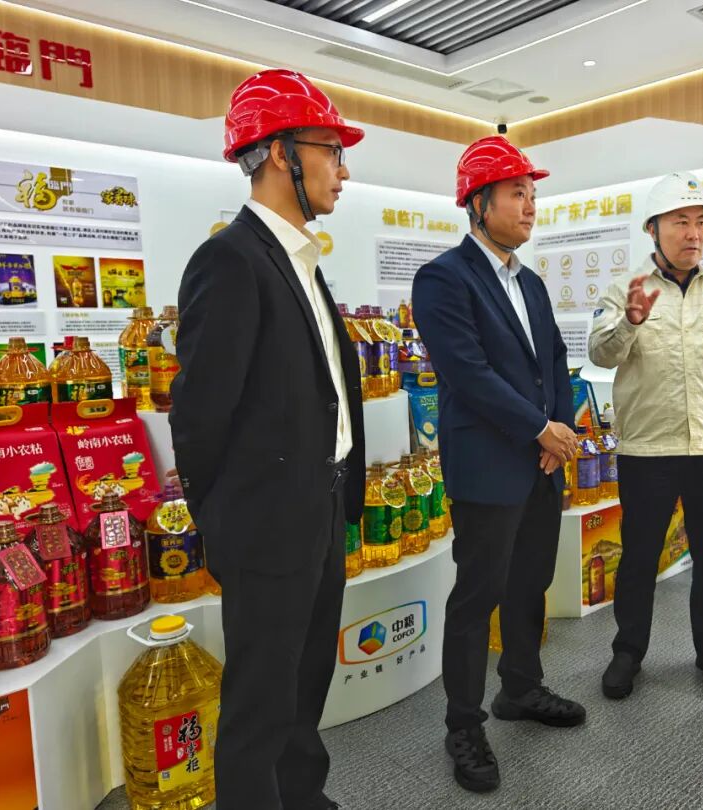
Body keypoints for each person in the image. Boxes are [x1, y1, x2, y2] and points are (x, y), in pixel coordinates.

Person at [169, 69, 366, 810]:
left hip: (322, 507)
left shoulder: (300, 260)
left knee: (307, 682)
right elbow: (199, 415)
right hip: (266, 525)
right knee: (259, 702)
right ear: (282, 153)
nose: (343, 171)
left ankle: (302, 797)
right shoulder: (231, 259)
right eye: (331, 152)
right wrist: (225, 526)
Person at [412, 136, 583, 794]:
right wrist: (539, 428)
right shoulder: (443, 278)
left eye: (533, 194)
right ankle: (463, 724)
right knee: (476, 596)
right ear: (478, 204)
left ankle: (521, 687)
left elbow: (554, 363)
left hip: (540, 463)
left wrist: (556, 432)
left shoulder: (530, 283)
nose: (531, 205)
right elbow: (468, 373)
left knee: (529, 581)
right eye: (517, 193)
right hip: (487, 465)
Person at [589, 172, 703, 701]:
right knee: (639, 556)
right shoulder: (626, 289)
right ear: (653, 229)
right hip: (647, 447)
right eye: (680, 222)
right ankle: (628, 651)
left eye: (700, 223)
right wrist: (629, 322)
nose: (693, 233)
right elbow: (601, 353)